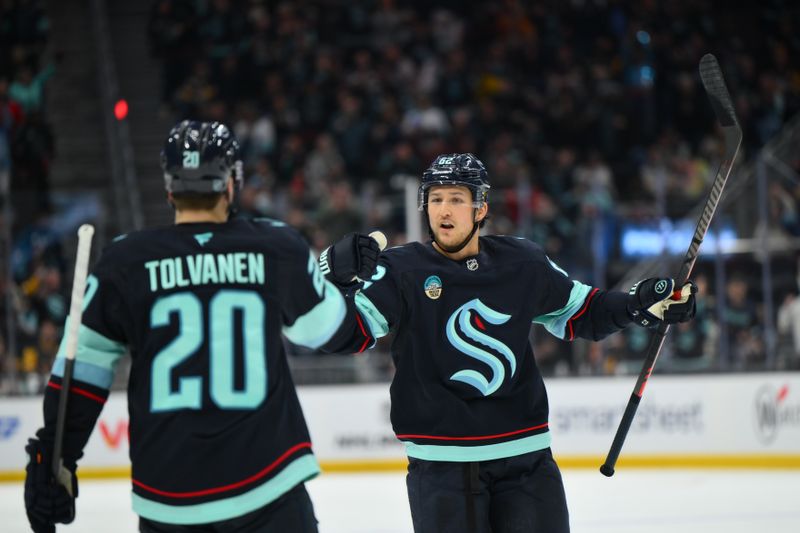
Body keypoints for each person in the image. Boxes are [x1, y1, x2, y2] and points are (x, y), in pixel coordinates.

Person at [23, 120, 379, 533]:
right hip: (268, 485)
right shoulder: (276, 246)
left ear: (169, 188)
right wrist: (338, 280)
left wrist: (55, 454)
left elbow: (82, 371)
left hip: (169, 495)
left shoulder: (124, 262)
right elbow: (332, 330)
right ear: (231, 183)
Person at [320, 153, 697, 533]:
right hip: (442, 469)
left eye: (456, 199)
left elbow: (584, 312)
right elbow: (343, 332)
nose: (444, 211)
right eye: (436, 199)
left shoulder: (522, 262)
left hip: (527, 462)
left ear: (480, 208)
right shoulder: (399, 271)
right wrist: (327, 277)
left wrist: (640, 303)